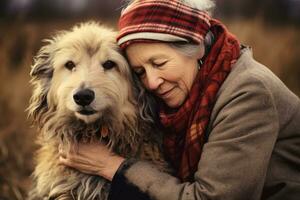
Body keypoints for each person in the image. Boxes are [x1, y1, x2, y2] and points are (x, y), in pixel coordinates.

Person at [58, 0, 300, 199]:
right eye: (140, 72)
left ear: (196, 47)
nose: (151, 82)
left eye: (159, 63)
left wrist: (113, 166)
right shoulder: (189, 92)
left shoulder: (249, 94)